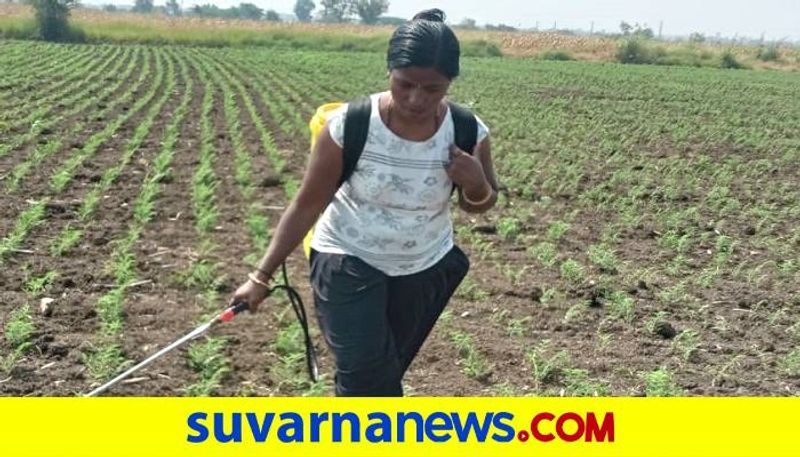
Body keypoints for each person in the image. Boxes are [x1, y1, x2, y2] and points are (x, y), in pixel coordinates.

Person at [229, 8, 500, 396]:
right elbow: (307, 204)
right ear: (389, 69)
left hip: (422, 267)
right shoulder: (350, 125)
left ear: (449, 83)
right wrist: (261, 276)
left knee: (376, 376)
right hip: (347, 260)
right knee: (367, 382)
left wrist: (474, 183)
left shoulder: (467, 130)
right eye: (405, 83)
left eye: (433, 89)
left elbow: (482, 203)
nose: (416, 98)